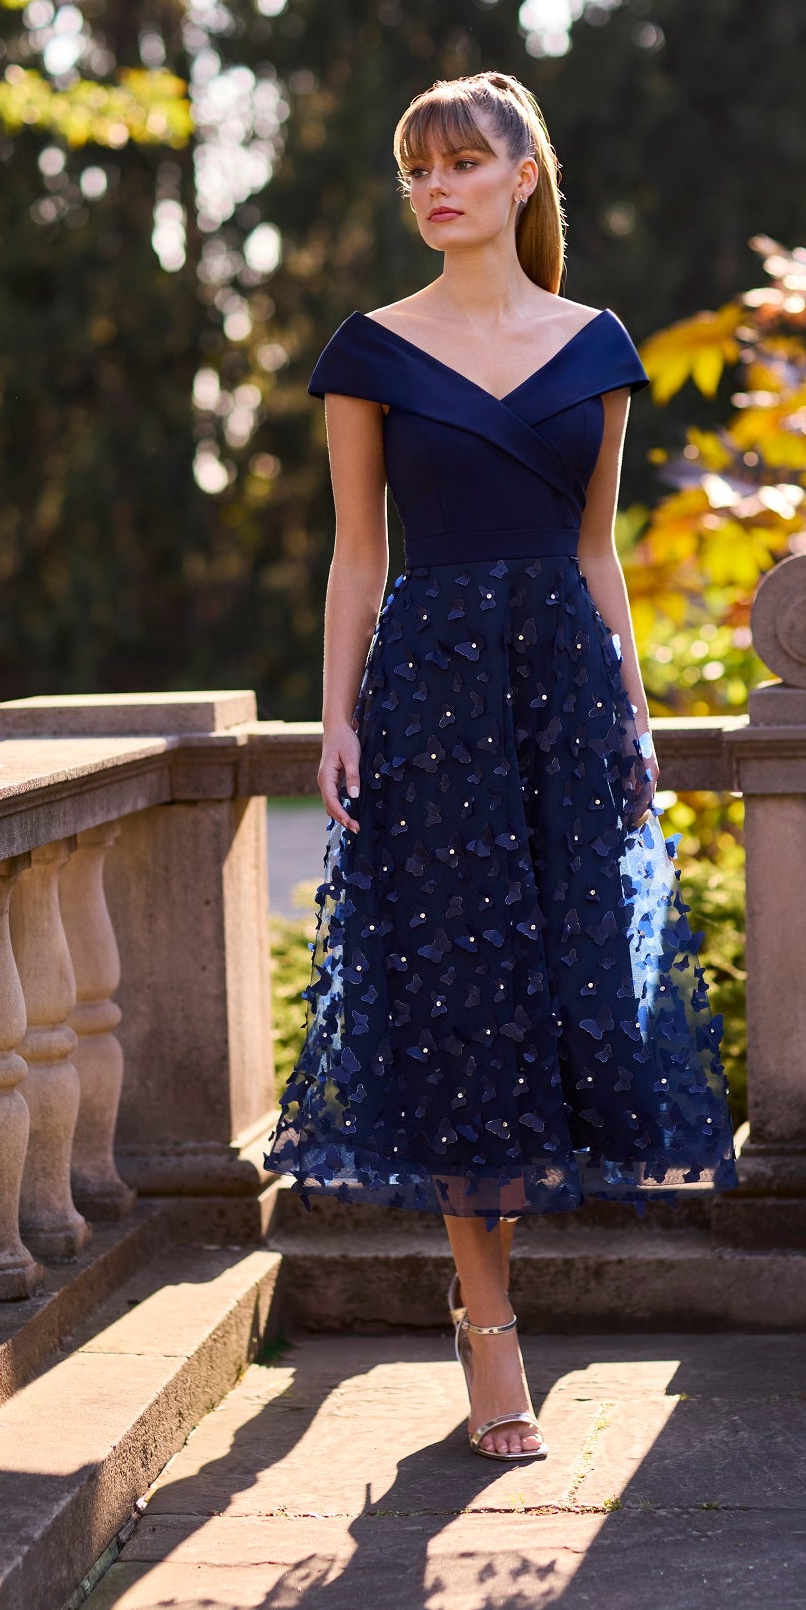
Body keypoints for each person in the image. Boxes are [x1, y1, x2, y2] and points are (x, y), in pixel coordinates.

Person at [264, 70, 736, 1464]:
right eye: (418, 166)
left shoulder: (597, 347)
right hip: (432, 699)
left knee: (569, 996)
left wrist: (635, 717)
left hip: (562, 695)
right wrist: (335, 714)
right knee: (463, 1006)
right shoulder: (369, 350)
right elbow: (360, 554)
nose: (437, 186)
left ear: (527, 177)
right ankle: (491, 1331)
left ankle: (498, 1304)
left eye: (465, 160)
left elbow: (597, 554)